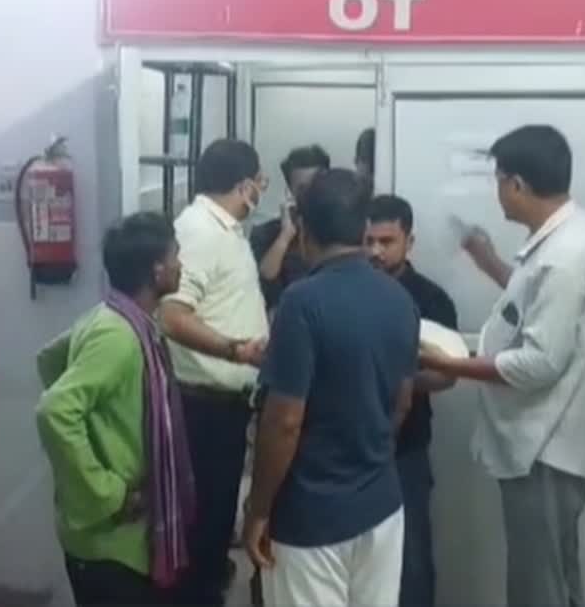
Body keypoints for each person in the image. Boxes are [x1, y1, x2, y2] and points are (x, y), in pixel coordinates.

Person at [418, 125, 585, 607]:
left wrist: (451, 364)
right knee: (553, 570)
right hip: (550, 440)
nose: (498, 191)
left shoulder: (566, 255)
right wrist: (490, 263)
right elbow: (537, 305)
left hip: (545, 444)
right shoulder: (570, 236)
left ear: (518, 185)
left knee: (537, 583)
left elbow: (538, 363)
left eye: (499, 180)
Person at [243, 168, 418, 606]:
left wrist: (258, 509)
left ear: (303, 230)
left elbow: (284, 422)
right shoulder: (399, 298)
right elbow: (402, 400)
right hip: (381, 506)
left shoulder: (301, 303)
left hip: (311, 516)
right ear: (362, 231)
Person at [36, 212, 194, 606]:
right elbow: (55, 409)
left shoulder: (113, 315)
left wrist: (100, 427)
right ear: (157, 270)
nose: (181, 264)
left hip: (113, 539)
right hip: (110, 539)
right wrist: (107, 491)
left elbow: (49, 362)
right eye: (175, 256)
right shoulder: (120, 335)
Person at [160, 138, 269, 606]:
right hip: (202, 406)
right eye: (260, 182)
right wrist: (236, 350)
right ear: (245, 186)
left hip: (224, 405)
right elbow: (173, 315)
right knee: (203, 532)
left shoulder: (225, 227)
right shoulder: (200, 232)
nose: (262, 190)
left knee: (214, 523)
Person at [366, 195, 459, 607]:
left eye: (387, 241)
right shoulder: (349, 291)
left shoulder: (431, 300)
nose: (375, 251)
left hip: (407, 448)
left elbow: (447, 375)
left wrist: (399, 381)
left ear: (409, 240)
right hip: (349, 447)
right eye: (368, 240)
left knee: (411, 559)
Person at [249, 145, 331, 312]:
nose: (310, 194)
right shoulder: (265, 234)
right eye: (302, 188)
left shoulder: (340, 227)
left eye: (315, 185)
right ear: (290, 191)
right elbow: (264, 279)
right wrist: (285, 236)